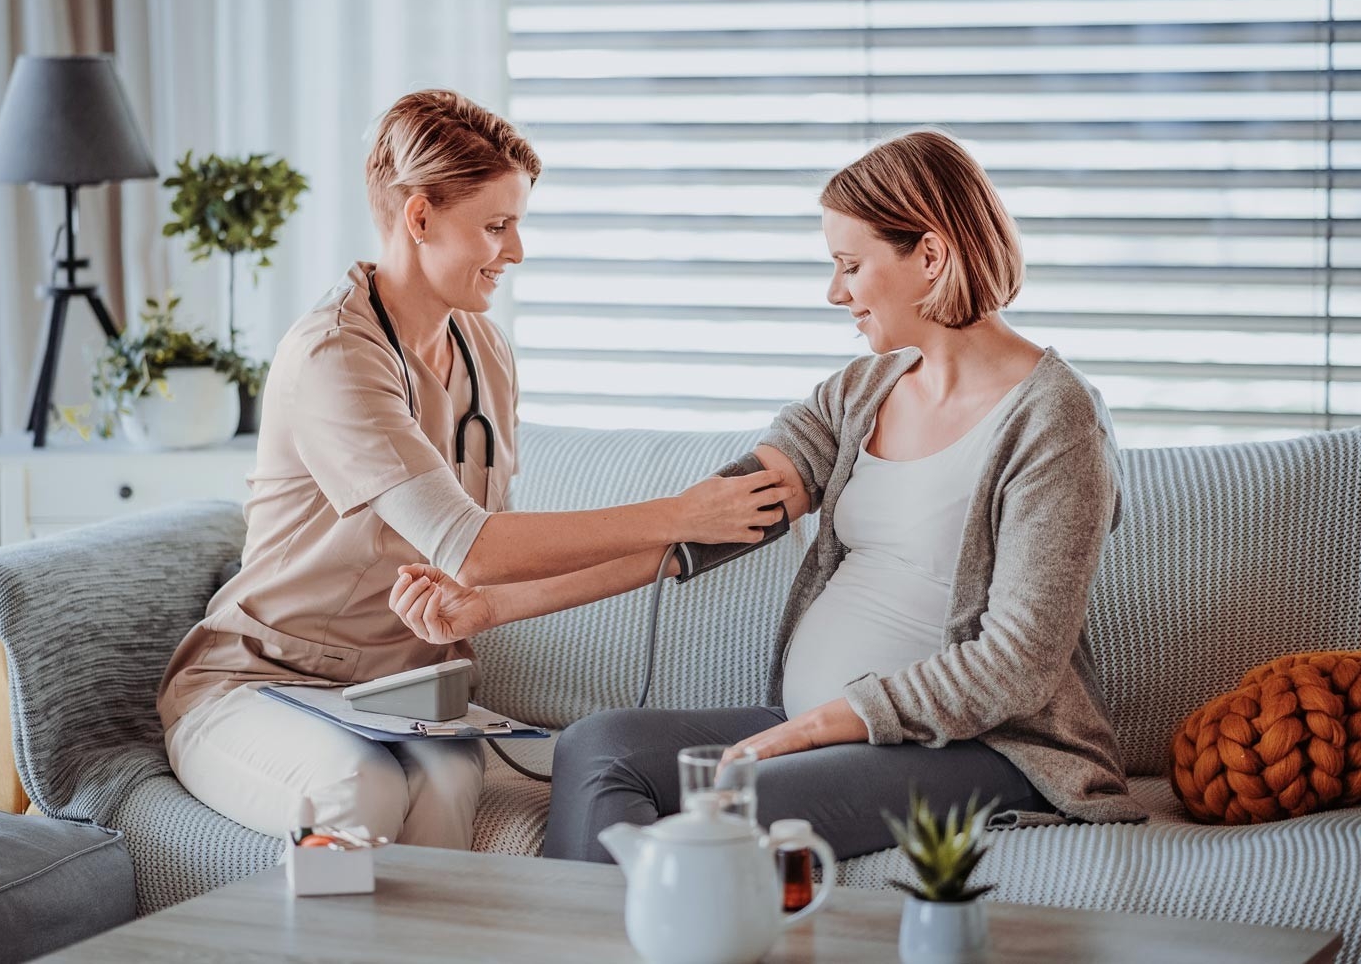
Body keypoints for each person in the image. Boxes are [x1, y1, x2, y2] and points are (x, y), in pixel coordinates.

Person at [388, 130, 1148, 863]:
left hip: (985, 748)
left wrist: (824, 725)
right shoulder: (861, 392)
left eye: (850, 264)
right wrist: (493, 607)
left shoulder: (1054, 418)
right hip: (821, 728)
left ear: (931, 255)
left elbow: (1016, 664)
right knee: (596, 745)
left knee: (736, 798)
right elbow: (702, 526)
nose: (834, 292)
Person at [156, 89, 787, 850]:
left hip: (401, 691)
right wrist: (680, 513)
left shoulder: (485, 352)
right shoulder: (336, 355)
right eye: (496, 225)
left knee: (451, 783)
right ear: (420, 217)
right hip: (259, 682)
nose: (515, 251)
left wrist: (678, 546)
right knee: (358, 788)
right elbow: (472, 543)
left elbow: (485, 578)